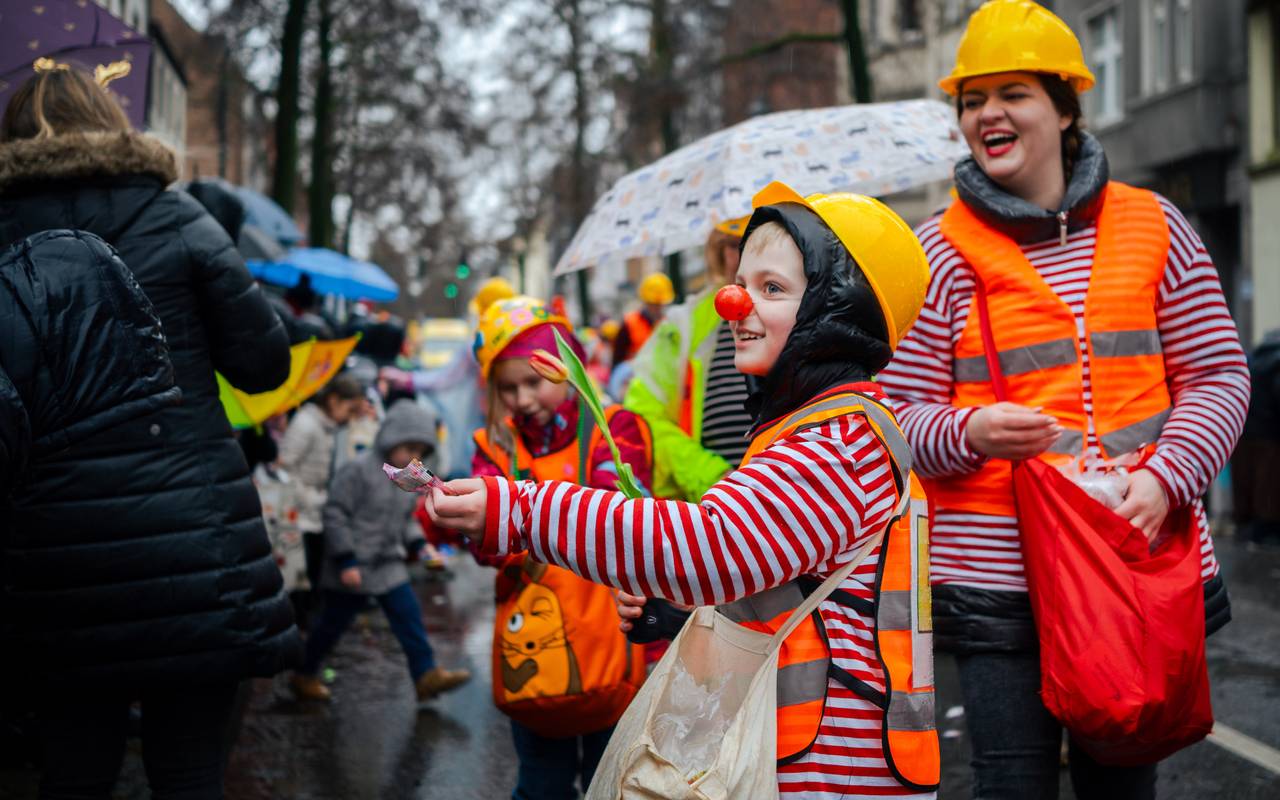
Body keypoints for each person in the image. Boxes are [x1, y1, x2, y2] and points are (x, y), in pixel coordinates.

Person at [427, 182, 940, 799]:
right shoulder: (819, 429)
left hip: (836, 774)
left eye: (771, 288)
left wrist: (521, 509)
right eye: (741, 282)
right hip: (807, 760)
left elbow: (713, 546)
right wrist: (683, 612)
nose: (732, 302)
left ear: (838, 313)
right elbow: (785, 584)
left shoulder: (840, 443)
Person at [874, 2, 1251, 797]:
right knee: (1012, 786)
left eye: (1013, 93)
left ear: (1066, 108)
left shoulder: (1155, 225)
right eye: (972, 100)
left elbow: (1218, 375)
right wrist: (969, 430)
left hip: (1130, 564)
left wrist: (1167, 478)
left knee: (1123, 787)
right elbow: (891, 418)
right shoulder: (934, 253)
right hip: (996, 584)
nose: (988, 114)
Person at [0, 64, 299, 798]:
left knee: (72, 773)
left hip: (54, 559)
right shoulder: (176, 217)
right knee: (190, 772)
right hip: (193, 544)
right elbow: (263, 365)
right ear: (112, 122)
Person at [459, 296, 651, 800]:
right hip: (536, 664)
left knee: (612, 785)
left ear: (570, 369)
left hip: (613, 648)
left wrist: (515, 517)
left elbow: (623, 520)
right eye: (508, 388)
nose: (522, 399)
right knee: (541, 786)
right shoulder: (494, 446)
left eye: (535, 380)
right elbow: (485, 547)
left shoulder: (614, 429)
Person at [618, 217, 752, 648]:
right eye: (733, 244)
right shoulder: (686, 324)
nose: (741, 256)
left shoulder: (806, 314)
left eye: (756, 240)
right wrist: (711, 476)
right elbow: (644, 419)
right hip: (711, 523)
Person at [290, 400, 472, 703]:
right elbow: (335, 513)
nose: (413, 456)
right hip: (353, 565)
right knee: (331, 625)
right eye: (408, 447)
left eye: (419, 451)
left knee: (408, 614)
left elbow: (406, 519)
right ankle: (304, 674)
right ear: (390, 438)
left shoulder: (406, 479)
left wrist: (420, 545)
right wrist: (346, 559)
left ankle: (425, 674)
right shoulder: (357, 470)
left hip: (387, 563)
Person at [277, 373, 368, 594]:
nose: (350, 417)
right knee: (304, 574)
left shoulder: (328, 427)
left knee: (315, 572)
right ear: (333, 400)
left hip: (315, 511)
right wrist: (308, 498)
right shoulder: (306, 424)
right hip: (300, 515)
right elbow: (284, 469)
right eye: (350, 409)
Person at [1232, 329, 1280, 545]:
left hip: (1243, 431)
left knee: (1248, 482)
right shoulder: (1276, 362)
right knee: (1268, 485)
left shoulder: (1252, 360)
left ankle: (1247, 529)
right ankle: (1265, 533)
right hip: (1269, 434)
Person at [612, 272, 674, 367]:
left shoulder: (670, 325)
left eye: (661, 304)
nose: (658, 308)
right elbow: (617, 360)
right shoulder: (629, 324)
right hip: (634, 374)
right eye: (654, 304)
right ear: (645, 301)